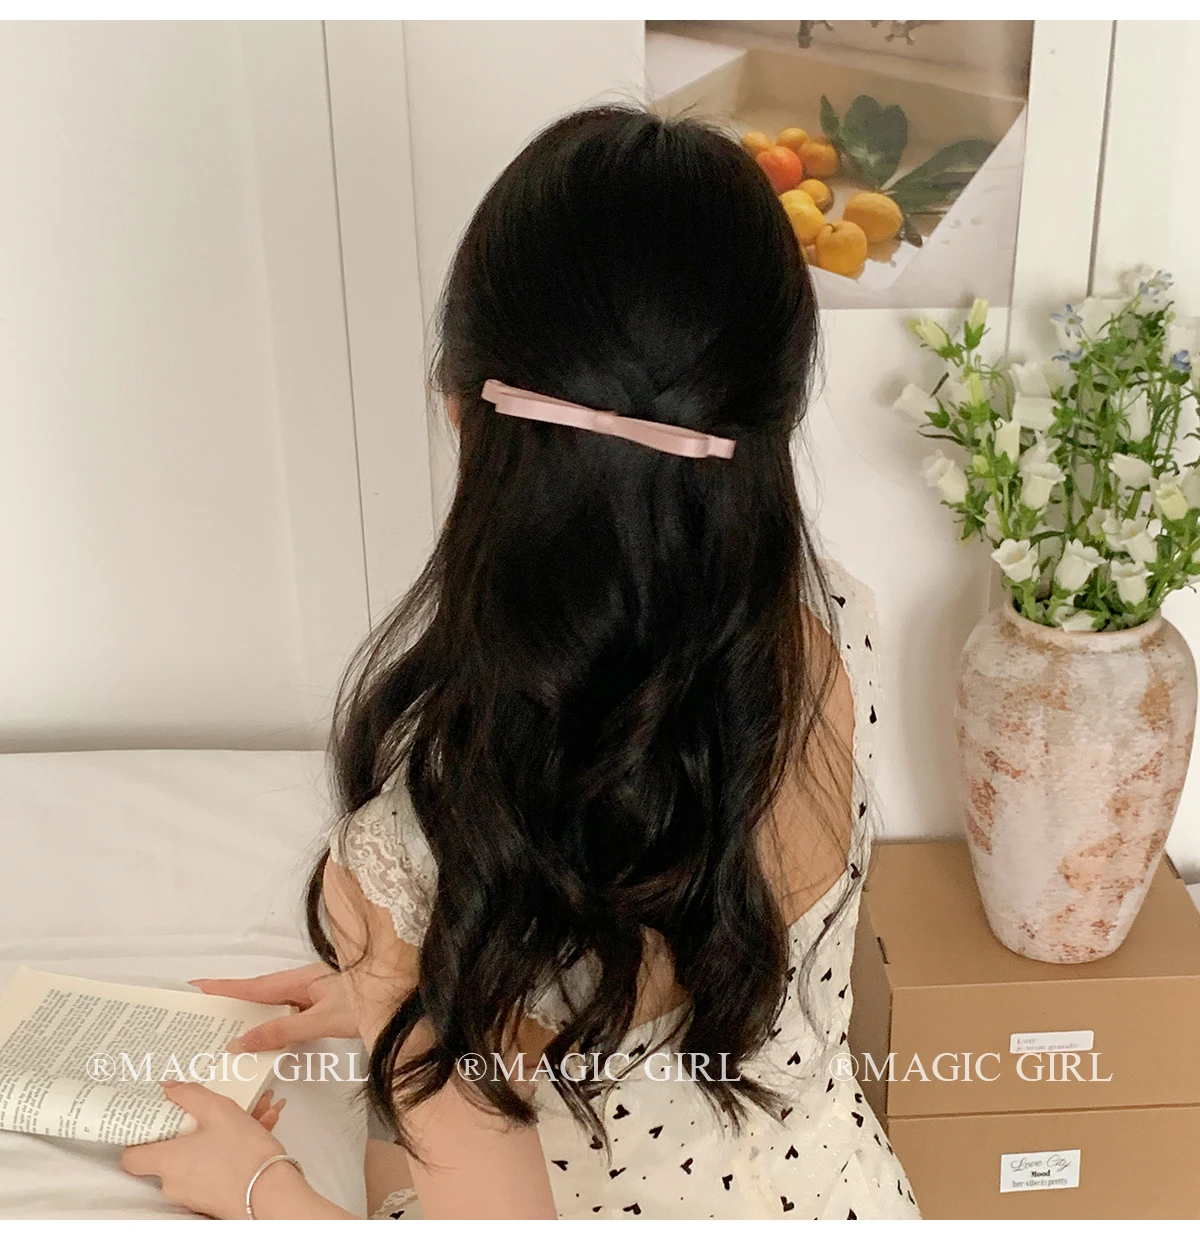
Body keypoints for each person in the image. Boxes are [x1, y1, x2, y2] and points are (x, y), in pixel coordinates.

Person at [119, 101, 920, 1221]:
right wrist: (424, 1001)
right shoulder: (835, 625)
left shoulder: (431, 844)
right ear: (775, 411)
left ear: (464, 410)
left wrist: (255, 1182)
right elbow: (680, 983)